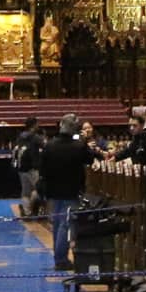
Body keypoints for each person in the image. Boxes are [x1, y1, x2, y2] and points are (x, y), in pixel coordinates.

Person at [37, 114, 94, 271]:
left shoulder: (49, 145)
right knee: (66, 225)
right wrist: (84, 141)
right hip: (71, 190)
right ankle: (61, 259)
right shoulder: (78, 146)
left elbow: (42, 168)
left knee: (57, 224)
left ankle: (58, 257)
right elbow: (90, 159)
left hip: (53, 191)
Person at [13, 117, 47, 219]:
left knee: (25, 191)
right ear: (34, 125)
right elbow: (47, 146)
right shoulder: (35, 137)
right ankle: (38, 210)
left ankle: (26, 212)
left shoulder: (20, 136)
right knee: (40, 189)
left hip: (21, 168)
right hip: (32, 168)